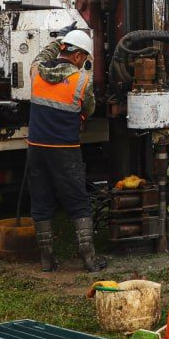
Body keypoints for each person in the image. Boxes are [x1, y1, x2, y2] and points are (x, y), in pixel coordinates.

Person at [27, 28, 107, 272]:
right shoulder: (81, 81)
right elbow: (89, 109)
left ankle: (47, 259)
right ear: (79, 56)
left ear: (63, 49)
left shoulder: (37, 73)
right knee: (78, 201)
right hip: (65, 150)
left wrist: (57, 41)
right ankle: (89, 258)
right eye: (85, 58)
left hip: (37, 149)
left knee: (41, 201)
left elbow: (39, 57)